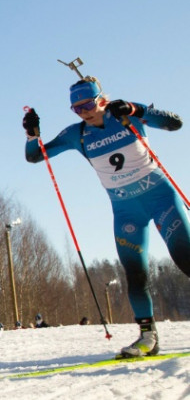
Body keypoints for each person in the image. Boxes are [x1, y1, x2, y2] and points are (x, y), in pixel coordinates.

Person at [23, 76, 190, 357]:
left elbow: (175, 123)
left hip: (161, 199)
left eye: (87, 104)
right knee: (135, 274)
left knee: (186, 259)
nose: (84, 112)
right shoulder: (76, 134)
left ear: (101, 99)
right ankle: (147, 337)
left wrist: (138, 110)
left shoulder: (124, 115)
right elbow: (35, 156)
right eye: (76, 108)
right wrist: (32, 134)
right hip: (126, 211)